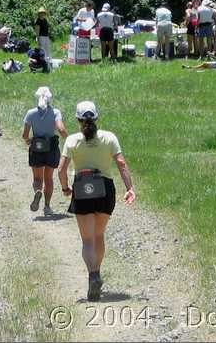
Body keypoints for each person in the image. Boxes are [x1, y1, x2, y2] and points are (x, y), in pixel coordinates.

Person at [58, 101, 135, 301]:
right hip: (105, 189)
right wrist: (129, 188)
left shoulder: (72, 140)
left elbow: (61, 169)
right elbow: (121, 163)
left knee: (87, 239)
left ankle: (93, 275)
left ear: (77, 120)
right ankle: (97, 273)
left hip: (82, 188)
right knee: (99, 234)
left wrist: (66, 188)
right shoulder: (109, 137)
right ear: (97, 118)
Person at [22, 87, 68, 216]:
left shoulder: (31, 113)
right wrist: (69, 140)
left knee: (37, 178)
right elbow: (61, 129)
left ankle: (38, 191)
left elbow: (25, 135)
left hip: (37, 147)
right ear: (50, 98)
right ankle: (47, 206)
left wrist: (28, 141)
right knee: (48, 178)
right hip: (51, 147)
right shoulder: (55, 112)